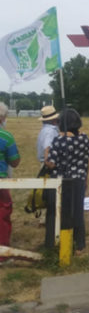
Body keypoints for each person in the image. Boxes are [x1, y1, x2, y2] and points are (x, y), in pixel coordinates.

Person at [44, 109, 89, 251]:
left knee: (59, 212)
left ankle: (57, 243)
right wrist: (85, 178)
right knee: (78, 211)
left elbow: (51, 163)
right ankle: (79, 244)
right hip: (79, 179)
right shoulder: (85, 138)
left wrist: (47, 158)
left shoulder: (59, 140)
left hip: (62, 181)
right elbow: (86, 160)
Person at [0, 102, 21, 250]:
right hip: (1, 183)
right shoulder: (6, 137)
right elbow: (15, 162)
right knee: (3, 214)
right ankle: (2, 251)